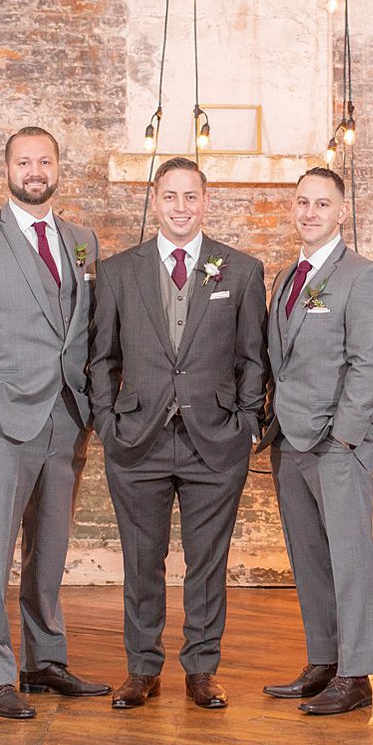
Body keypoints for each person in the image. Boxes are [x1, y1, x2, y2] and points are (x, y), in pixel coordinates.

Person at [0, 127, 108, 720]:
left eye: (45, 160)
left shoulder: (82, 241)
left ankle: (44, 660)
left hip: (67, 415)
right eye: (24, 161)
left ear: (58, 167)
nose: (35, 170)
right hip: (1, 417)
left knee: (50, 546)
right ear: (6, 169)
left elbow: (85, 329)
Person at [89, 156, 268, 710]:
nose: (181, 207)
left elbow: (252, 358)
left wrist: (244, 423)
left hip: (214, 440)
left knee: (207, 561)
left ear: (205, 202)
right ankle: (142, 668)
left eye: (191, 197)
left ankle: (201, 669)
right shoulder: (119, 271)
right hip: (137, 439)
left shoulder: (239, 269)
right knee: (142, 560)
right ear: (156, 201)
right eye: (171, 197)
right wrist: (107, 423)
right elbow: (101, 359)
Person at [260, 167, 373, 716]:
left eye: (322, 204)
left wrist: (342, 436)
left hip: (338, 444)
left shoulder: (363, 277)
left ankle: (356, 672)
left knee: (350, 557)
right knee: (309, 556)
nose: (310, 213)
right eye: (302, 203)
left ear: (341, 212)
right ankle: (323, 660)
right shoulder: (285, 278)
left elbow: (371, 363)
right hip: (289, 441)